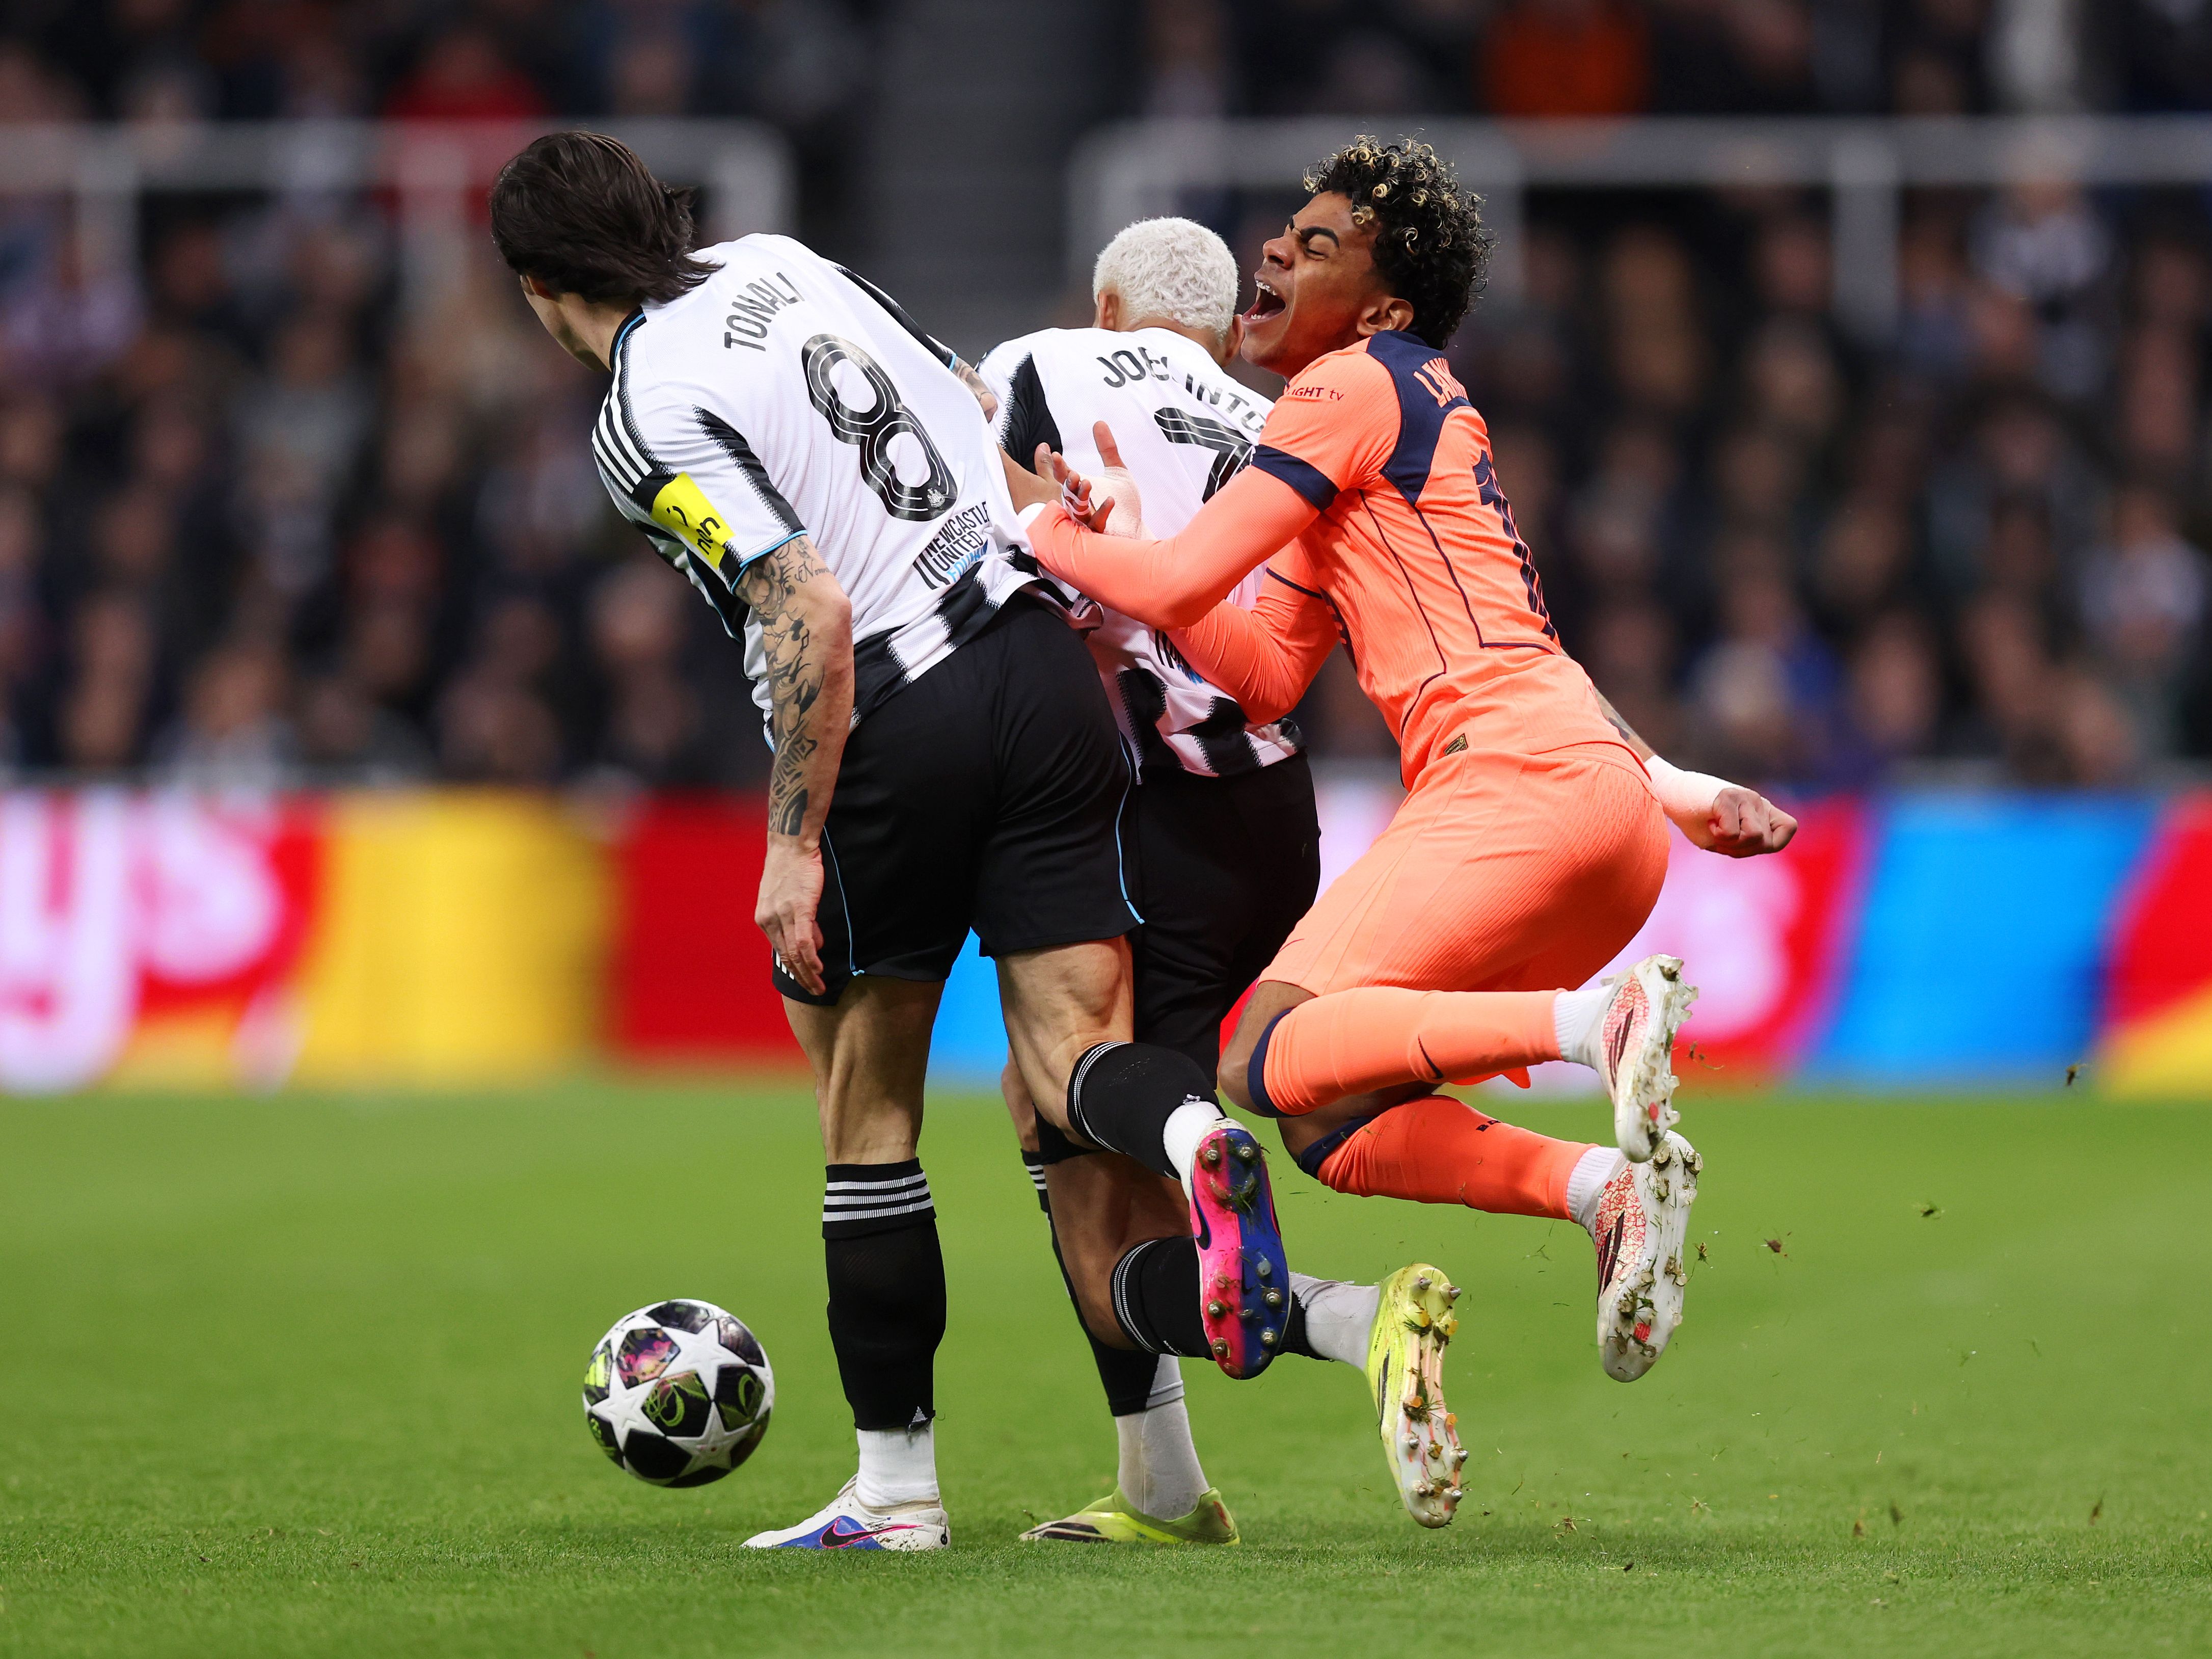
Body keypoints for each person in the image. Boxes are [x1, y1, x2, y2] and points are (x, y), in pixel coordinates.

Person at [490, 132, 1304, 1554]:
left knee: (867, 1115)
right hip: (1037, 666)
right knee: (1066, 1066)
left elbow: (803, 608)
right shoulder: (776, 259)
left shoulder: (638, 408)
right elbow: (971, 395)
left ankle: (895, 1490)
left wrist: (792, 841)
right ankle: (1186, 1196)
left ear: (538, 287)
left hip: (897, 714)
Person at [1009, 137, 1797, 1401]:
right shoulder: (1384, 418)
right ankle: (1599, 1188)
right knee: (1330, 1116)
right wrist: (1673, 784)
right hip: (1594, 808)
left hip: (1511, 789)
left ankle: (1593, 1023)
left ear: (1377, 309)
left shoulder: (1348, 385)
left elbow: (1171, 583)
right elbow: (1265, 670)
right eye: (1287, 229)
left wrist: (1041, 524)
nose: (1273, 248)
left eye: (1315, 244)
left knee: (1259, 1049)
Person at [979, 216, 1466, 1542]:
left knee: (1072, 1113)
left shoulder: (1036, 367)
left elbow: (980, 538)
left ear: (1104, 304)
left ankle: (1314, 1335)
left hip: (1138, 803)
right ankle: (1168, 1478)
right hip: (1271, 809)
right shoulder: (1268, 419)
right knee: (1091, 1116)